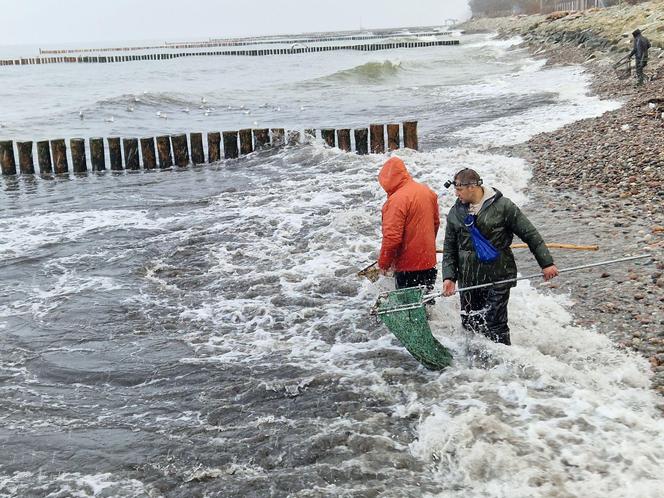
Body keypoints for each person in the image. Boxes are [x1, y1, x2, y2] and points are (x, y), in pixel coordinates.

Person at [441, 168, 559, 345]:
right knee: (470, 323)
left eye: (459, 190)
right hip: (468, 278)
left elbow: (530, 234)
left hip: (498, 276)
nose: (456, 194)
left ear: (472, 187)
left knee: (495, 324)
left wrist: (547, 263)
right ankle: (475, 368)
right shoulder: (455, 212)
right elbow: (449, 247)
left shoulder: (504, 206)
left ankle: (505, 365)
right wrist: (449, 277)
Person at [378, 157, 440, 292]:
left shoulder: (396, 201)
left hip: (408, 266)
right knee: (426, 303)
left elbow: (392, 238)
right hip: (428, 262)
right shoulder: (427, 192)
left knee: (408, 308)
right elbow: (435, 223)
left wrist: (384, 264)